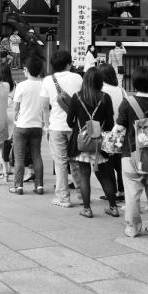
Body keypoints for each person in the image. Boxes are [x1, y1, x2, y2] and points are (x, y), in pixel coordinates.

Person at [113, 65, 148, 237]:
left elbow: (119, 128)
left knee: (132, 194)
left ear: (134, 82)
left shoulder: (128, 102)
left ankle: (133, 228)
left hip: (131, 155)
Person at [67, 68, 117, 219]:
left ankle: (87, 209)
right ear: (100, 82)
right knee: (104, 176)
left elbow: (70, 121)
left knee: (84, 175)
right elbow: (109, 124)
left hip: (82, 143)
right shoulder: (105, 97)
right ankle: (113, 207)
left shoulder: (77, 97)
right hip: (99, 144)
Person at [40, 50, 83, 208]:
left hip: (56, 126)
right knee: (76, 162)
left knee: (60, 163)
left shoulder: (47, 80)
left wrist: (46, 127)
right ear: (69, 64)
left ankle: (63, 197)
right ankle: (81, 195)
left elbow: (44, 107)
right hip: (75, 126)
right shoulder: (78, 78)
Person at [9, 56, 46, 195]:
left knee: (19, 157)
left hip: (22, 125)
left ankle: (18, 186)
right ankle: (39, 185)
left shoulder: (22, 86)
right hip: (37, 125)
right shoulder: (43, 84)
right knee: (37, 155)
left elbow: (16, 108)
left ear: (26, 70)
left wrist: (16, 119)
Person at [98, 63, 125, 202]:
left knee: (107, 164)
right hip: (120, 131)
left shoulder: (100, 90)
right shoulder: (121, 90)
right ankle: (122, 190)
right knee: (120, 163)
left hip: (106, 132)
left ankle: (111, 192)